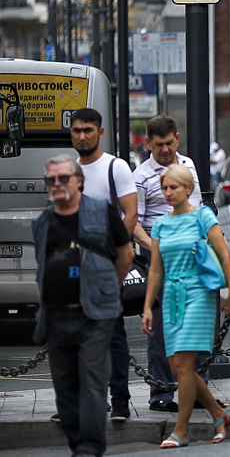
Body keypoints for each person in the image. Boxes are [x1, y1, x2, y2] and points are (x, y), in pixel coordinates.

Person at [32, 155, 133, 457]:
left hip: (96, 314)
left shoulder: (103, 212)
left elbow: (124, 254)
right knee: (64, 387)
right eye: (51, 180)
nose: (57, 184)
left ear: (78, 181)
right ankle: (77, 444)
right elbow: (42, 264)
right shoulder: (42, 222)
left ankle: (90, 447)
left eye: (63, 178)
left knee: (91, 380)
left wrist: (106, 289)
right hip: (56, 316)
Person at [141, 165, 230, 448]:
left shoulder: (202, 216)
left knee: (183, 363)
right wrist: (148, 306)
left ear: (187, 189)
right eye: (165, 188)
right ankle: (219, 414)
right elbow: (156, 270)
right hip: (171, 295)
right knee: (177, 366)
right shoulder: (161, 224)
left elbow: (224, 255)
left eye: (174, 187)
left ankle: (181, 430)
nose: (169, 193)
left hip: (198, 293)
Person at [70, 108, 137, 423]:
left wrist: (117, 268)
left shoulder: (116, 167)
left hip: (108, 266)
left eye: (88, 129)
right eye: (76, 130)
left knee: (112, 335)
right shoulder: (69, 171)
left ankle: (120, 400)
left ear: (100, 131)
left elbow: (130, 215)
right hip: (75, 268)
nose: (82, 135)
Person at [133, 115, 204, 412]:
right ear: (148, 142)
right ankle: (161, 394)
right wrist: (155, 246)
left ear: (177, 138)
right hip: (157, 251)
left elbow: (198, 208)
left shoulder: (188, 166)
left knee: (195, 324)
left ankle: (199, 392)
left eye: (169, 143)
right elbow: (133, 222)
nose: (165, 150)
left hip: (189, 251)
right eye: (158, 144)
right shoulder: (141, 176)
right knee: (161, 327)